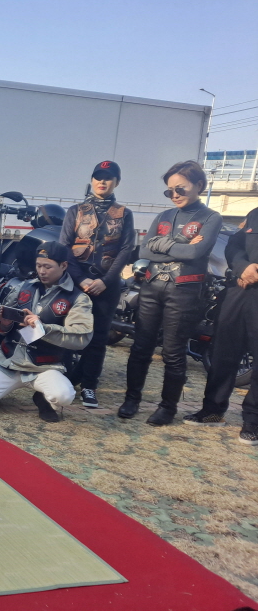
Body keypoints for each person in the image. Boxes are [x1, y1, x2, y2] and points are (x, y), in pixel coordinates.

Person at [118, 161, 222, 426]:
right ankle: (131, 399)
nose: (175, 195)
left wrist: (161, 245)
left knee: (173, 353)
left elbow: (195, 253)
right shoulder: (163, 216)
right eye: (169, 191)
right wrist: (178, 247)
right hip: (151, 287)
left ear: (199, 185)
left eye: (180, 189)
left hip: (184, 291)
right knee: (140, 347)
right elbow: (144, 251)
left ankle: (168, 408)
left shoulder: (211, 217)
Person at [0, 242, 93, 422]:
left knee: (64, 395)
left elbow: (81, 337)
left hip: (44, 368)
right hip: (8, 362)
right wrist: (3, 322)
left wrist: (43, 328)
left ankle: (43, 399)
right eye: (38, 265)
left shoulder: (78, 298)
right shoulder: (23, 286)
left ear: (64, 265)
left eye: (48, 267)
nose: (42, 271)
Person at [59, 161, 136, 409]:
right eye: (98, 177)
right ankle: (63, 379)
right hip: (76, 281)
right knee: (69, 331)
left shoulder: (124, 213)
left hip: (107, 283)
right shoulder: (76, 211)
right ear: (92, 180)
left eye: (108, 177)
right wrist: (80, 279)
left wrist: (106, 281)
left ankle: (89, 385)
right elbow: (65, 247)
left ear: (117, 182)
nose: (102, 181)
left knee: (99, 337)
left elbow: (126, 249)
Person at [184, 206, 258, 445]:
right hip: (239, 290)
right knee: (223, 353)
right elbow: (234, 245)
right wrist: (243, 267)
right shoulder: (255, 214)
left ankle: (253, 421)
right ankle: (212, 411)